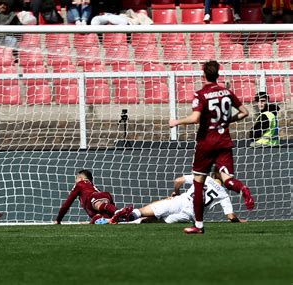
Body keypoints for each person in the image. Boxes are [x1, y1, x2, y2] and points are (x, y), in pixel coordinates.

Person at [169, 60, 254, 234]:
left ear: (203, 75)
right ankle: (241, 188)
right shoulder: (227, 92)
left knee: (198, 183)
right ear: (218, 74)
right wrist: (227, 120)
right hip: (224, 142)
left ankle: (198, 226)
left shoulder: (201, 94)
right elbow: (245, 112)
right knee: (227, 179)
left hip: (206, 143)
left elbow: (195, 118)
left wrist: (176, 122)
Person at [108, 171, 245, 225]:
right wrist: (240, 221)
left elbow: (178, 180)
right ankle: (122, 224)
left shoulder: (205, 178)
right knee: (156, 221)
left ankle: (124, 215)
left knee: (145, 210)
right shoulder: (224, 195)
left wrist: (176, 192)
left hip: (182, 201)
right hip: (189, 214)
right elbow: (231, 216)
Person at [54, 169, 133, 224]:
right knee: (98, 218)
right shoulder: (93, 187)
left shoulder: (80, 184)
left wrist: (58, 219)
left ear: (80, 178)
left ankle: (118, 212)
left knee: (98, 204)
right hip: (105, 196)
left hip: (94, 198)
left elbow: (67, 203)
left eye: (76, 179)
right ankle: (120, 217)